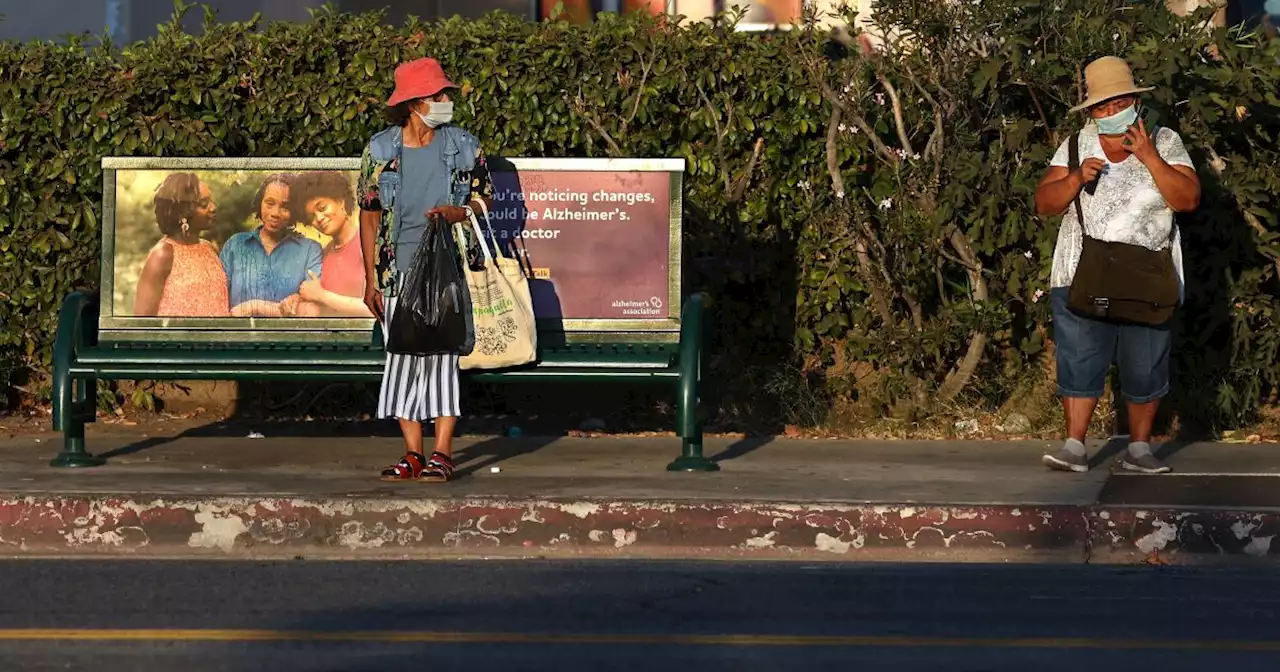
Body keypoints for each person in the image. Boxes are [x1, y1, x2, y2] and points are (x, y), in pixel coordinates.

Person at [1034, 56, 1201, 475]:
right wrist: (1075, 178)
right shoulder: (1075, 145)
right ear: (1090, 110)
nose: (1111, 113)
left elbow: (1188, 199)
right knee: (1079, 356)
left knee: (1146, 360)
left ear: (1135, 102)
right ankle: (1075, 446)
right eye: (1102, 107)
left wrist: (1149, 157)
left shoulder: (1164, 141)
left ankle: (1140, 450)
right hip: (1080, 272)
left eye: (1119, 102)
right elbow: (1044, 203)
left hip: (1148, 275)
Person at [357, 57, 495, 482]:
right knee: (401, 360)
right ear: (414, 102)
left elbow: (486, 197)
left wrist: (461, 211)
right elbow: (368, 214)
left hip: (448, 268)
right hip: (397, 270)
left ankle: (442, 453)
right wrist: (370, 280)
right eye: (437, 95)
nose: (445, 101)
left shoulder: (464, 146)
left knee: (441, 360)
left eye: (445, 94)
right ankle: (412, 453)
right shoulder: (380, 151)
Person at [219, 173, 322, 317]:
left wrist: (256, 307)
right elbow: (218, 300)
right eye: (269, 203)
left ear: (295, 211)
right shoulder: (234, 246)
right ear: (260, 203)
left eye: (285, 207)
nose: (275, 213)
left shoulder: (310, 250)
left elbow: (313, 307)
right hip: (239, 337)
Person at [134, 173, 230, 317]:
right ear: (181, 213)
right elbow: (141, 322)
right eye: (204, 204)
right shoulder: (162, 255)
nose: (213, 207)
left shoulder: (209, 249)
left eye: (211, 201)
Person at [289, 171, 373, 318]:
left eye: (322, 208)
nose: (319, 218)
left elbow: (377, 308)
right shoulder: (323, 254)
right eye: (311, 217)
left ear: (340, 201)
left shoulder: (368, 243)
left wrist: (322, 296)